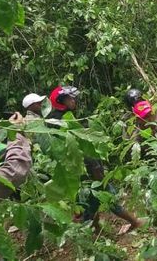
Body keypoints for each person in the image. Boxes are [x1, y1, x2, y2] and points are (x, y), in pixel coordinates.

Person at [50, 85, 145, 232]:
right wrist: (97, 171)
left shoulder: (56, 118)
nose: (74, 101)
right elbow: (79, 147)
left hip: (77, 168)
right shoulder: (63, 122)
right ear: (61, 101)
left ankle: (93, 229)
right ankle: (134, 221)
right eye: (70, 98)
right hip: (86, 167)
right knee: (108, 196)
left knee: (89, 201)